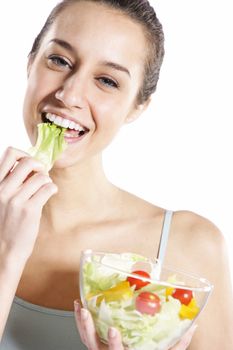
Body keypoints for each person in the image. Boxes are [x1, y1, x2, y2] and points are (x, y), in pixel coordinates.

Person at [0, 0, 232, 349]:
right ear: (30, 62)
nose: (70, 94)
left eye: (107, 81)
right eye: (59, 60)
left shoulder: (189, 248)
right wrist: (7, 251)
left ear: (137, 106)